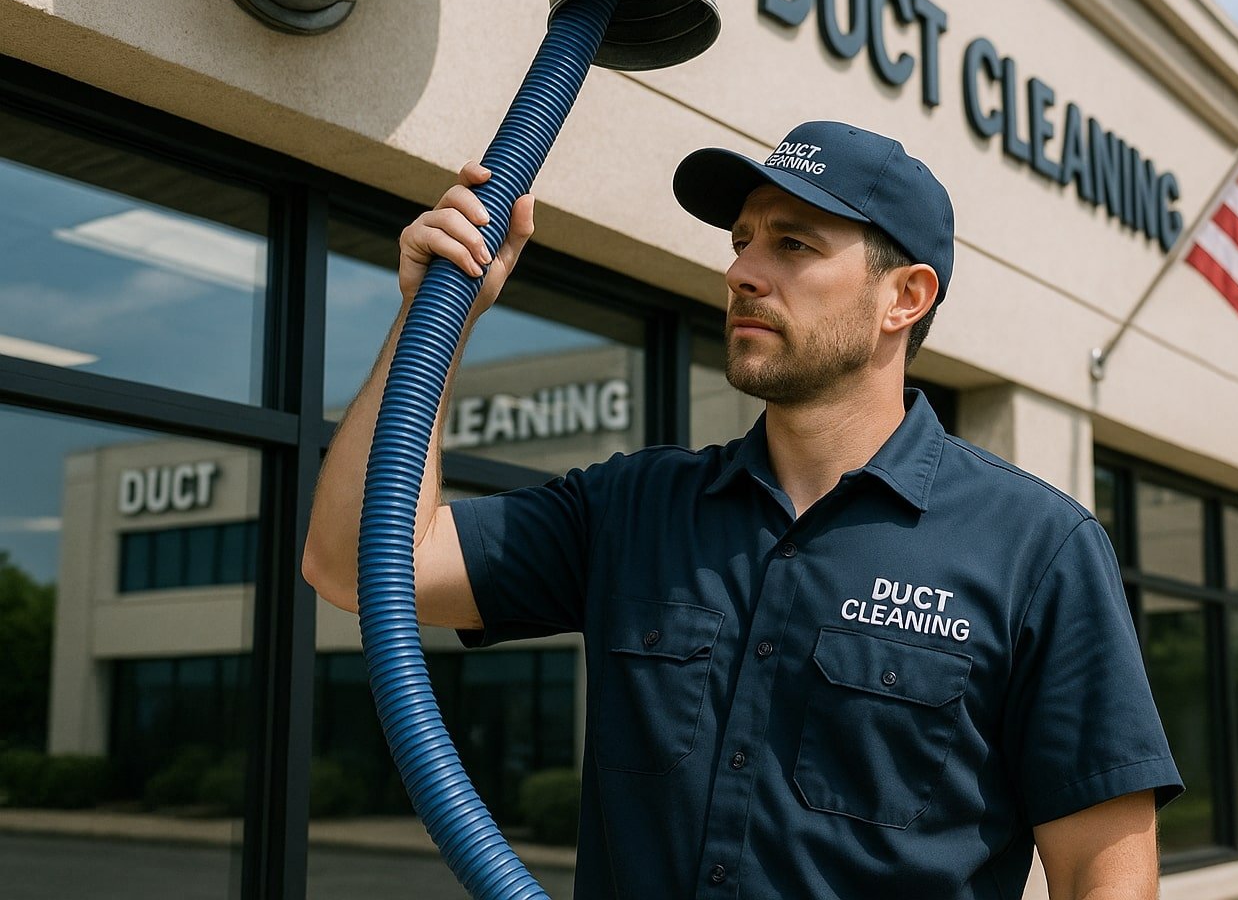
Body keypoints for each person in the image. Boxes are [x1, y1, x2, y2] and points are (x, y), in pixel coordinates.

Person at [304, 120, 1183, 899]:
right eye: (742, 241)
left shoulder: (1036, 547)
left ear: (904, 298)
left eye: (792, 245)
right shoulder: (633, 508)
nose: (741, 273)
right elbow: (355, 563)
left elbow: (1102, 871)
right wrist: (435, 317)